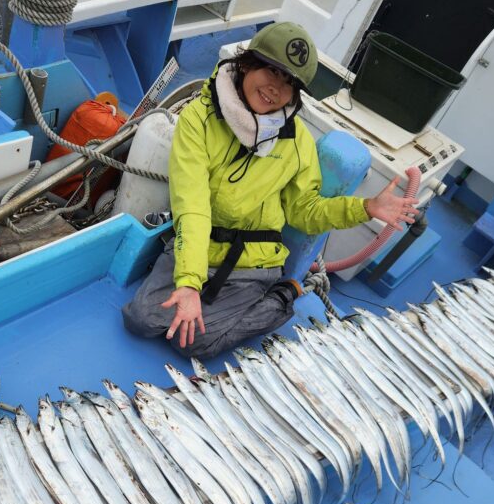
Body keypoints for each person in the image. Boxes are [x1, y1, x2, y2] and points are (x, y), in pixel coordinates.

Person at [122, 22, 418, 359]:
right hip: (196, 246)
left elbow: (304, 212)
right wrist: (189, 282)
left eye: (289, 82)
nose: (276, 87)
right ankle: (199, 291)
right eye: (272, 70)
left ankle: (282, 297)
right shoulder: (199, 118)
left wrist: (364, 208)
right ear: (247, 64)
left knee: (192, 344)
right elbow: (192, 204)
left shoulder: (297, 141)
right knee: (140, 321)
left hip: (252, 263)